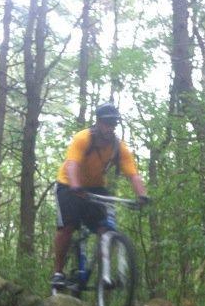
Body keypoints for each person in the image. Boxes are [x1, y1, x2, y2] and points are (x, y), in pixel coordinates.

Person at [51, 102, 148, 287]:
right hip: (68, 184)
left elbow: (133, 174)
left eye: (113, 123)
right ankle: (58, 272)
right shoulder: (83, 138)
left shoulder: (119, 148)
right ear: (98, 122)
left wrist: (142, 195)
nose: (110, 127)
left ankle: (104, 275)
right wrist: (76, 186)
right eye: (106, 123)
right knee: (68, 227)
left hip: (95, 188)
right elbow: (72, 164)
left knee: (106, 229)